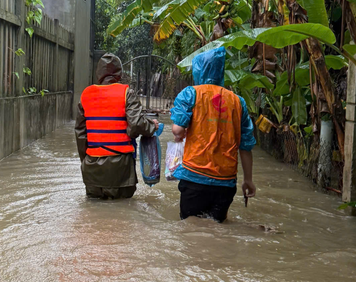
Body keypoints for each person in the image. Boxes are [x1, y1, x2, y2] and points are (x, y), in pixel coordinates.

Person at [170, 47, 256, 222]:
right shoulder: (238, 102)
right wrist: (248, 180)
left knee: (190, 231)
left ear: (198, 70)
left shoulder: (191, 93)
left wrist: (181, 132)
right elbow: (246, 146)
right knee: (217, 227)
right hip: (225, 182)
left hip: (195, 177)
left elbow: (178, 130)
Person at [75, 53, 159, 200]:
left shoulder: (85, 95)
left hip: (92, 170)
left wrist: (87, 162)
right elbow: (136, 125)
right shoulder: (127, 93)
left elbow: (81, 135)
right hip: (120, 169)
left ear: (98, 73)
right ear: (119, 74)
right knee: (123, 212)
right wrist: (152, 126)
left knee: (93, 215)